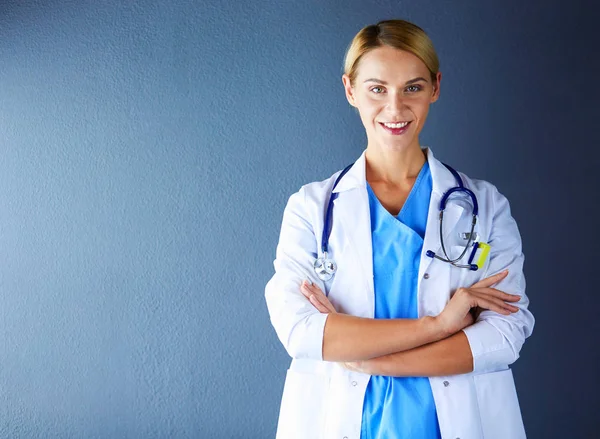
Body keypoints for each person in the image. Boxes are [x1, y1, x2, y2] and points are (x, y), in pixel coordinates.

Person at [265, 19, 534, 439]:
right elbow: (301, 332)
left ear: (435, 88)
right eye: (377, 89)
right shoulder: (312, 209)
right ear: (350, 90)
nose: (395, 108)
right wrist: (440, 326)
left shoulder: (485, 207)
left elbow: (505, 333)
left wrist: (364, 357)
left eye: (412, 87)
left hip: (450, 423)